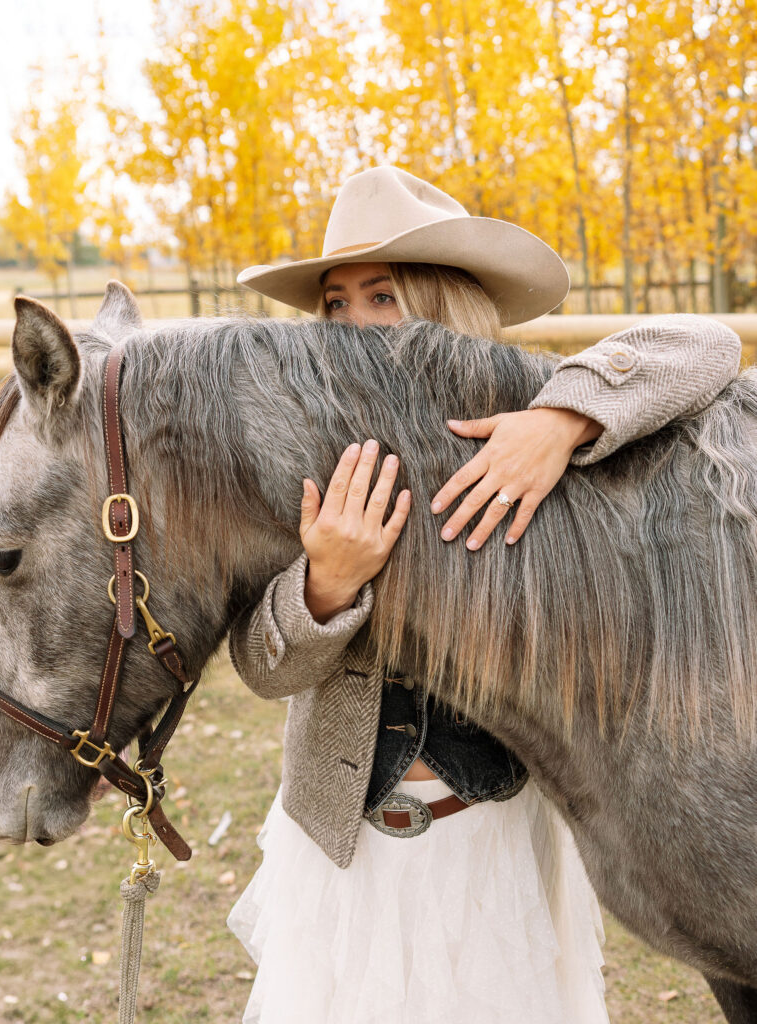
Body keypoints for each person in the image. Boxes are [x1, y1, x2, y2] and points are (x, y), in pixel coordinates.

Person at [224, 166, 741, 1023]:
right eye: (336, 304)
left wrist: (563, 419)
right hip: (344, 841)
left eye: (380, 296)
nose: (351, 323)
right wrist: (322, 587)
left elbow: (707, 345)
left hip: (494, 826)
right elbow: (260, 663)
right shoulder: (306, 457)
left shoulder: (521, 424)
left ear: (439, 301)